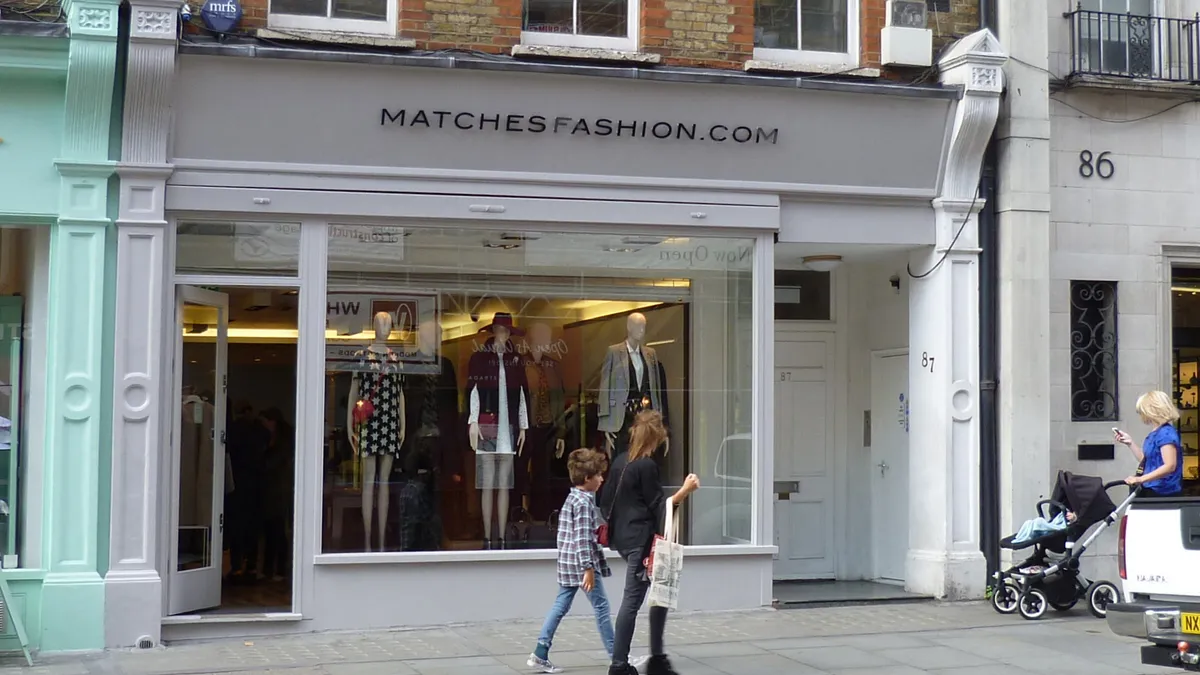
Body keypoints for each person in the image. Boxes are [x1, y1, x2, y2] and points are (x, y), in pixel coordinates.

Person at [600, 410, 699, 675]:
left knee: (658, 595)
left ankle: (656, 656)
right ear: (657, 438)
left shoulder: (621, 462)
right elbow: (661, 507)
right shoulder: (646, 466)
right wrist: (684, 491)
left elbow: (605, 502)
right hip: (642, 543)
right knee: (633, 601)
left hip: (624, 539)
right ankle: (619, 665)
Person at [527, 448, 613, 674]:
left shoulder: (572, 497)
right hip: (580, 565)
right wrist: (588, 568)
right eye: (598, 475)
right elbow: (584, 537)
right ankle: (618, 656)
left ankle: (540, 651)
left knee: (561, 605)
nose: (602, 479)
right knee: (602, 606)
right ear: (587, 478)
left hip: (567, 562)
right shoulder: (584, 503)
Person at [1115, 390, 1184, 497]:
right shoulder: (1156, 432)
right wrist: (1130, 443)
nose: (1141, 415)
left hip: (1164, 492)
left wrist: (1141, 479)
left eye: (1142, 411)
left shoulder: (1166, 434)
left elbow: (1170, 465)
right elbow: (1147, 460)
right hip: (1152, 488)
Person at [259, 407, 294, 581]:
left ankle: (276, 569)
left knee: (276, 531)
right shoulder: (283, 438)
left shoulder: (281, 442)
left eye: (265, 421)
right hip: (278, 490)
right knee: (275, 530)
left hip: (278, 490)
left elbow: (272, 464)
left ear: (272, 421)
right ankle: (273, 569)